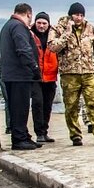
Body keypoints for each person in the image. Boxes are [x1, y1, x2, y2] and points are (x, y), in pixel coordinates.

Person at [49, 2, 94, 146]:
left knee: (93, 103)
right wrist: (67, 33)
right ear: (70, 15)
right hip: (69, 73)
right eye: (76, 15)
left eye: (81, 15)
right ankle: (75, 135)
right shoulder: (58, 28)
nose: (79, 18)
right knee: (72, 106)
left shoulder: (90, 28)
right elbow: (52, 47)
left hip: (88, 72)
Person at [0, 3, 42, 151]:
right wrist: (34, 68)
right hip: (19, 75)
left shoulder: (8, 26)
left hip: (12, 75)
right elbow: (23, 49)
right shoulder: (18, 27)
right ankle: (19, 139)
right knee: (20, 108)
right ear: (29, 14)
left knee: (17, 107)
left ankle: (23, 135)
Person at [28, 11, 59, 143]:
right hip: (36, 77)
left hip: (50, 76)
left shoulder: (53, 36)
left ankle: (45, 132)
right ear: (35, 23)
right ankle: (39, 132)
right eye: (39, 23)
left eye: (44, 23)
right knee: (38, 104)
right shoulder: (30, 35)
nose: (41, 26)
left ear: (48, 24)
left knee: (47, 105)